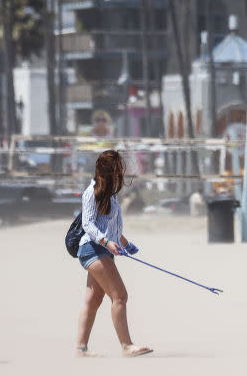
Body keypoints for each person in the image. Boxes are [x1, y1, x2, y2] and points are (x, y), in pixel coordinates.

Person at [74, 149, 152, 358]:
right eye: (116, 170)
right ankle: (127, 346)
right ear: (107, 171)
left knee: (93, 301)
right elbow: (88, 224)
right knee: (120, 296)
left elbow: (110, 225)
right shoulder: (91, 192)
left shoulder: (110, 194)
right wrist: (107, 242)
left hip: (103, 249)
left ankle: (81, 348)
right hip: (92, 249)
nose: (120, 174)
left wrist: (125, 242)